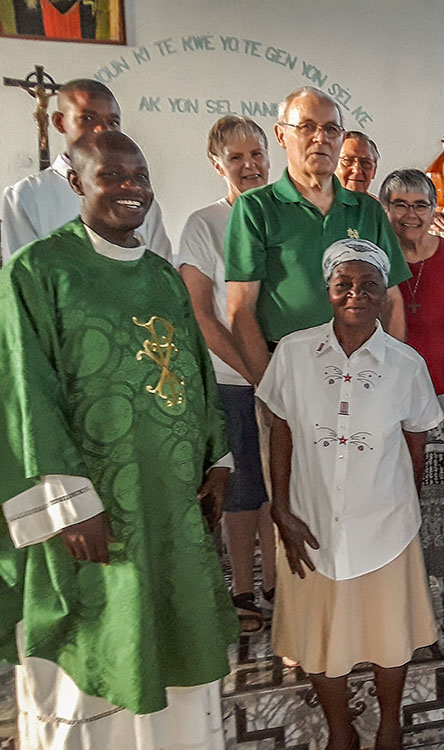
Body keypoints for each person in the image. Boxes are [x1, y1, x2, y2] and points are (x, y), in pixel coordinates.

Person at [0, 131, 237, 749]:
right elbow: (26, 391)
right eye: (113, 176)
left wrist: (218, 461)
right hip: (94, 510)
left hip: (170, 504)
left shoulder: (162, 277)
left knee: (176, 633)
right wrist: (67, 504)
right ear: (76, 182)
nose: (132, 188)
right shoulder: (38, 272)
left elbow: (194, 371)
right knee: (100, 637)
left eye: (141, 175)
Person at [257, 238, 442, 750]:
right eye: (344, 284)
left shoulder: (405, 364)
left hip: (386, 521)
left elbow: (417, 444)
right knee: (319, 640)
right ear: (328, 289)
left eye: (369, 284)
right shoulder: (295, 352)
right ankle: (340, 731)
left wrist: (406, 507)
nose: (356, 293)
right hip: (311, 521)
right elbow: (280, 427)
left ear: (386, 293)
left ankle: (388, 726)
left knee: (391, 637)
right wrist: (281, 506)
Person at [225, 86, 408, 386]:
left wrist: (388, 375)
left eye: (331, 129)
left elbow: (391, 300)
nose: (320, 138)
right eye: (307, 127)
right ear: (281, 135)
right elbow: (240, 308)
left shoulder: (367, 211)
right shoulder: (255, 208)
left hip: (362, 372)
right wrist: (269, 387)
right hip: (288, 373)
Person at [177, 115, 277, 633]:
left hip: (284, 378)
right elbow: (201, 315)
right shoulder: (204, 224)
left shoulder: (283, 215)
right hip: (233, 379)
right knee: (242, 488)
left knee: (280, 483)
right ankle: (242, 587)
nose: (249, 166)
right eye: (236, 158)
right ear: (218, 165)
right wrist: (258, 374)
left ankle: (278, 581)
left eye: (256, 154)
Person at [380, 168, 444, 609]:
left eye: (420, 204)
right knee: (398, 483)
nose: (410, 214)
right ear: (385, 210)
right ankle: (404, 574)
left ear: (435, 208)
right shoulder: (376, 259)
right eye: (399, 204)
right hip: (390, 391)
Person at [1, 78, 171, 264]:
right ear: (60, 122)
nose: (102, 129)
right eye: (88, 119)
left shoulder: (136, 198)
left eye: (113, 122)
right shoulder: (25, 196)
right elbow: (24, 275)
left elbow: (161, 270)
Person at [335, 130, 379, 196]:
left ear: (374, 170)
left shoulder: (378, 206)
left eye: (365, 163)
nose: (357, 170)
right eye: (348, 161)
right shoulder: (317, 202)